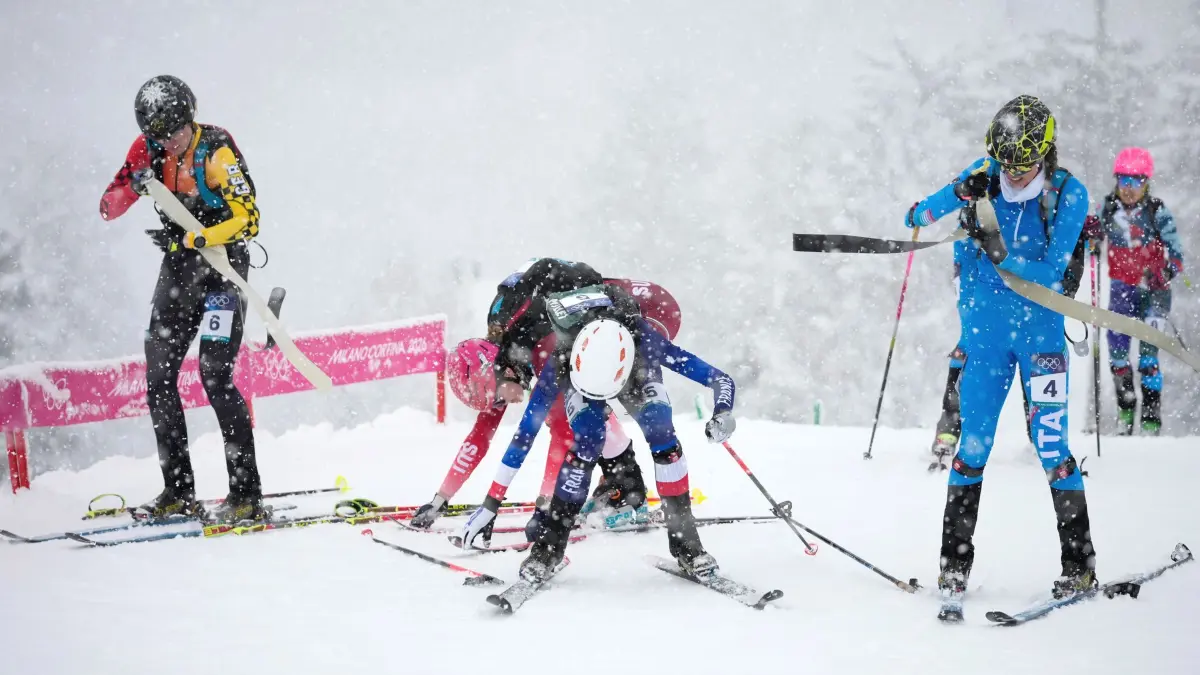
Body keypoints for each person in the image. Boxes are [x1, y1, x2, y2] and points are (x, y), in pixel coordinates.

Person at [905, 95, 1097, 618]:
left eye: (1024, 164)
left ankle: (1079, 565)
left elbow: (1055, 269)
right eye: (1005, 163)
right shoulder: (984, 171)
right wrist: (961, 193)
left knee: (1052, 447)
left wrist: (999, 254)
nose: (1012, 174)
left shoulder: (1067, 193)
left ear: (1046, 153)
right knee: (972, 448)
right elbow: (916, 216)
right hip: (985, 342)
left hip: (1040, 342)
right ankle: (953, 567)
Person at [456, 274, 737, 582]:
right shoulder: (561, 361)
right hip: (583, 374)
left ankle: (688, 545)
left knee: (663, 437)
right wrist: (491, 504)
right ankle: (549, 549)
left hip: (634, 370)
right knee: (588, 439)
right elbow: (525, 435)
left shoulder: (647, 343)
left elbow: (720, 380)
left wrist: (723, 413)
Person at [99, 75, 266, 522]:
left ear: (189, 120)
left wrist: (203, 237)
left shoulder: (216, 151)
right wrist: (134, 185)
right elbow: (108, 207)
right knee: (158, 378)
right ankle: (178, 490)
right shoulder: (147, 148)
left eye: (173, 135)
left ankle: (246, 495)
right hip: (178, 272)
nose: (168, 144)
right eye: (158, 137)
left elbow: (249, 220)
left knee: (214, 376)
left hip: (223, 273)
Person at [410, 263, 683, 534]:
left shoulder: (539, 351)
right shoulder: (506, 354)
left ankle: (629, 492)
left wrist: (545, 506)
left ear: (502, 372)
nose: (501, 406)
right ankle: (619, 485)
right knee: (586, 401)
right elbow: (479, 438)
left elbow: (561, 435)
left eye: (496, 399)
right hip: (620, 306)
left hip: (654, 309)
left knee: (589, 405)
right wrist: (440, 499)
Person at [1085, 148, 1185, 436]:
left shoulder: (1156, 211)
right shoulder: (1108, 209)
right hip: (1121, 290)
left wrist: (1168, 269)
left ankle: (1151, 421)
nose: (1129, 189)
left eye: (1136, 182)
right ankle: (1125, 415)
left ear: (1146, 182)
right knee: (1118, 355)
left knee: (1148, 358)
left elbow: (1176, 252)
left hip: (1154, 294)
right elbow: (1095, 235)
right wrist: (1091, 237)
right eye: (1124, 181)